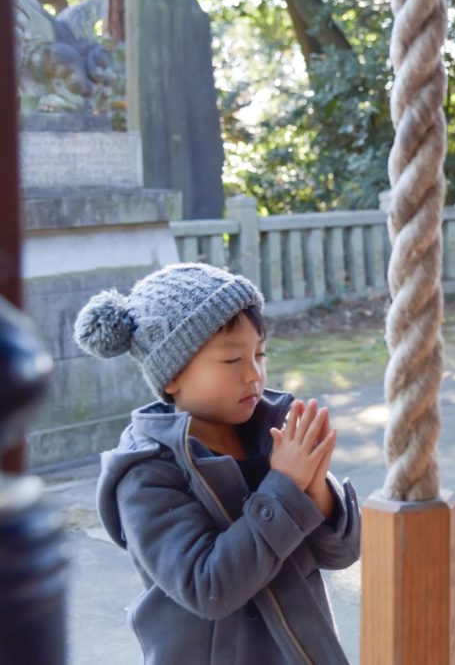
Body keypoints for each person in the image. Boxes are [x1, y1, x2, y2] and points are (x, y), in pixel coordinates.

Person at [75, 262, 360, 664]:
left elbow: (341, 555)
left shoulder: (271, 433)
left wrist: (316, 491)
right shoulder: (145, 474)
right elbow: (209, 588)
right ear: (172, 375)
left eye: (259, 354)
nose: (254, 375)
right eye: (231, 361)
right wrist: (285, 486)